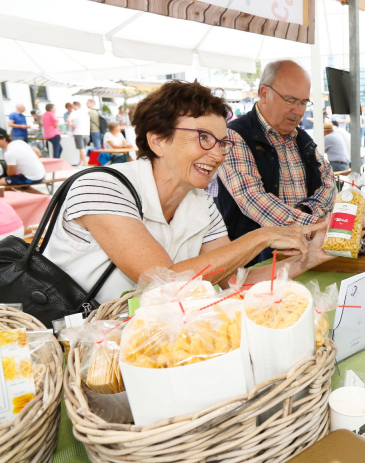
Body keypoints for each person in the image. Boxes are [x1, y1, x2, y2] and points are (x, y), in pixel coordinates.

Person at [42, 80, 331, 304]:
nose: (218, 154)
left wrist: (307, 259)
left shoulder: (202, 204)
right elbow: (164, 283)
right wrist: (263, 235)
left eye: (222, 142)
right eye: (203, 138)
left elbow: (232, 281)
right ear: (157, 140)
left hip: (144, 339)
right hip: (72, 346)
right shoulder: (101, 186)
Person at [217, 60, 336, 265]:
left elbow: (329, 182)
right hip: (253, 263)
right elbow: (253, 199)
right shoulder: (234, 136)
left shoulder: (301, 138)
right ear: (264, 93)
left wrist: (307, 210)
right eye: (290, 100)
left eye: (303, 102)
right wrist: (315, 225)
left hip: (303, 256)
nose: (299, 111)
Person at [68, 101, 90, 166]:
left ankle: (86, 163)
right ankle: (80, 163)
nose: (72, 108)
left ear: (76, 105)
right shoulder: (85, 113)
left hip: (78, 132)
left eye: (72, 106)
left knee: (81, 149)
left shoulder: (74, 113)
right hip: (86, 133)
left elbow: (68, 119)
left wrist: (71, 126)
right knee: (83, 148)